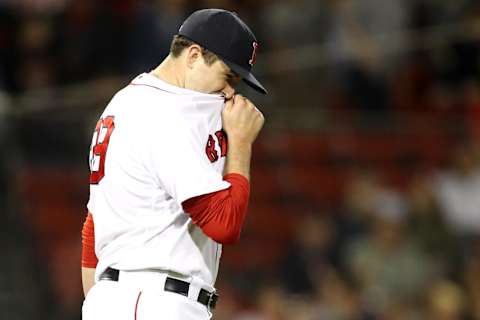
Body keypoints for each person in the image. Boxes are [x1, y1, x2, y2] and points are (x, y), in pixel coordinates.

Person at [80, 8, 266, 320]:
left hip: (127, 299)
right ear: (193, 55)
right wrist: (241, 143)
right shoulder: (166, 113)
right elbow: (224, 223)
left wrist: (100, 302)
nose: (230, 91)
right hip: (153, 300)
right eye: (227, 76)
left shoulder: (125, 102)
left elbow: (94, 224)